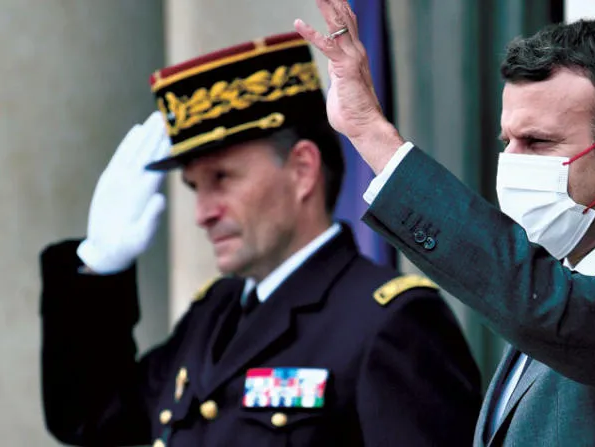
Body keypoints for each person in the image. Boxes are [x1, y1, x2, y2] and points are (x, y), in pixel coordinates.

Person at [294, 2, 595, 446]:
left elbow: (548, 307)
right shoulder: (555, 287)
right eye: (509, 143)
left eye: (538, 142)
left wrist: (373, 135)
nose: (513, 164)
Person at [39, 31, 482, 447]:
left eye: (222, 178)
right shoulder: (217, 313)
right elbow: (89, 415)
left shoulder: (391, 322)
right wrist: (98, 266)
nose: (202, 214)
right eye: (194, 188)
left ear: (302, 170)